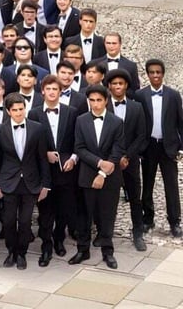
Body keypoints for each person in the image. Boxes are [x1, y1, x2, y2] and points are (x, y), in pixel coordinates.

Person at [0, 93, 50, 270]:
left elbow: (42, 159)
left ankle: (21, 253)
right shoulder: (0, 130)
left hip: (31, 182)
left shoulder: (37, 129)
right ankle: (11, 252)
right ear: (8, 111)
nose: (18, 113)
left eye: (21, 109)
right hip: (8, 182)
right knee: (8, 221)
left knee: (25, 221)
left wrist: (45, 185)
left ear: (25, 108)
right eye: (14, 110)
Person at [69, 85, 124, 269]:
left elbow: (117, 151)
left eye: (99, 100)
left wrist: (103, 172)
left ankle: (108, 252)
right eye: (92, 100)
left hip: (110, 177)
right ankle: (82, 250)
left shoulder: (116, 122)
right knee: (84, 215)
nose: (96, 104)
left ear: (106, 101)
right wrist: (99, 163)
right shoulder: (81, 120)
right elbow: (79, 148)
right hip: (86, 175)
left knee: (107, 215)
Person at [28, 75, 78, 265]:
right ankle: (46, 246)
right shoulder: (33, 113)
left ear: (60, 92)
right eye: (48, 89)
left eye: (54, 89)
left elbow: (77, 140)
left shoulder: (71, 112)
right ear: (42, 91)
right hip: (44, 171)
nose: (51, 92)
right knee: (45, 210)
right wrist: (45, 153)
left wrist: (73, 159)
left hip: (66, 170)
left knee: (63, 209)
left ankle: (59, 239)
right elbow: (31, 144)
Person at [135, 59, 183, 238]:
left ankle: (175, 221)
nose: (155, 75)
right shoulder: (140, 95)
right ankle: (148, 218)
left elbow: (180, 122)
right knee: (147, 185)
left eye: (158, 72)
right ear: (147, 74)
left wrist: (181, 148)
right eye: (152, 72)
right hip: (148, 146)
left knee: (171, 186)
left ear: (163, 74)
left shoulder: (173, 95)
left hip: (168, 146)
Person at [105, 69, 148, 251]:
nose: (117, 86)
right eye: (114, 83)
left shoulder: (136, 107)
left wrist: (127, 156)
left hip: (130, 161)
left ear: (126, 86)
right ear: (109, 86)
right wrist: (115, 158)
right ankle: (104, 234)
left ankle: (138, 232)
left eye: (120, 83)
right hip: (109, 160)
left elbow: (141, 135)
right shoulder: (103, 107)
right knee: (108, 199)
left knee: (135, 198)